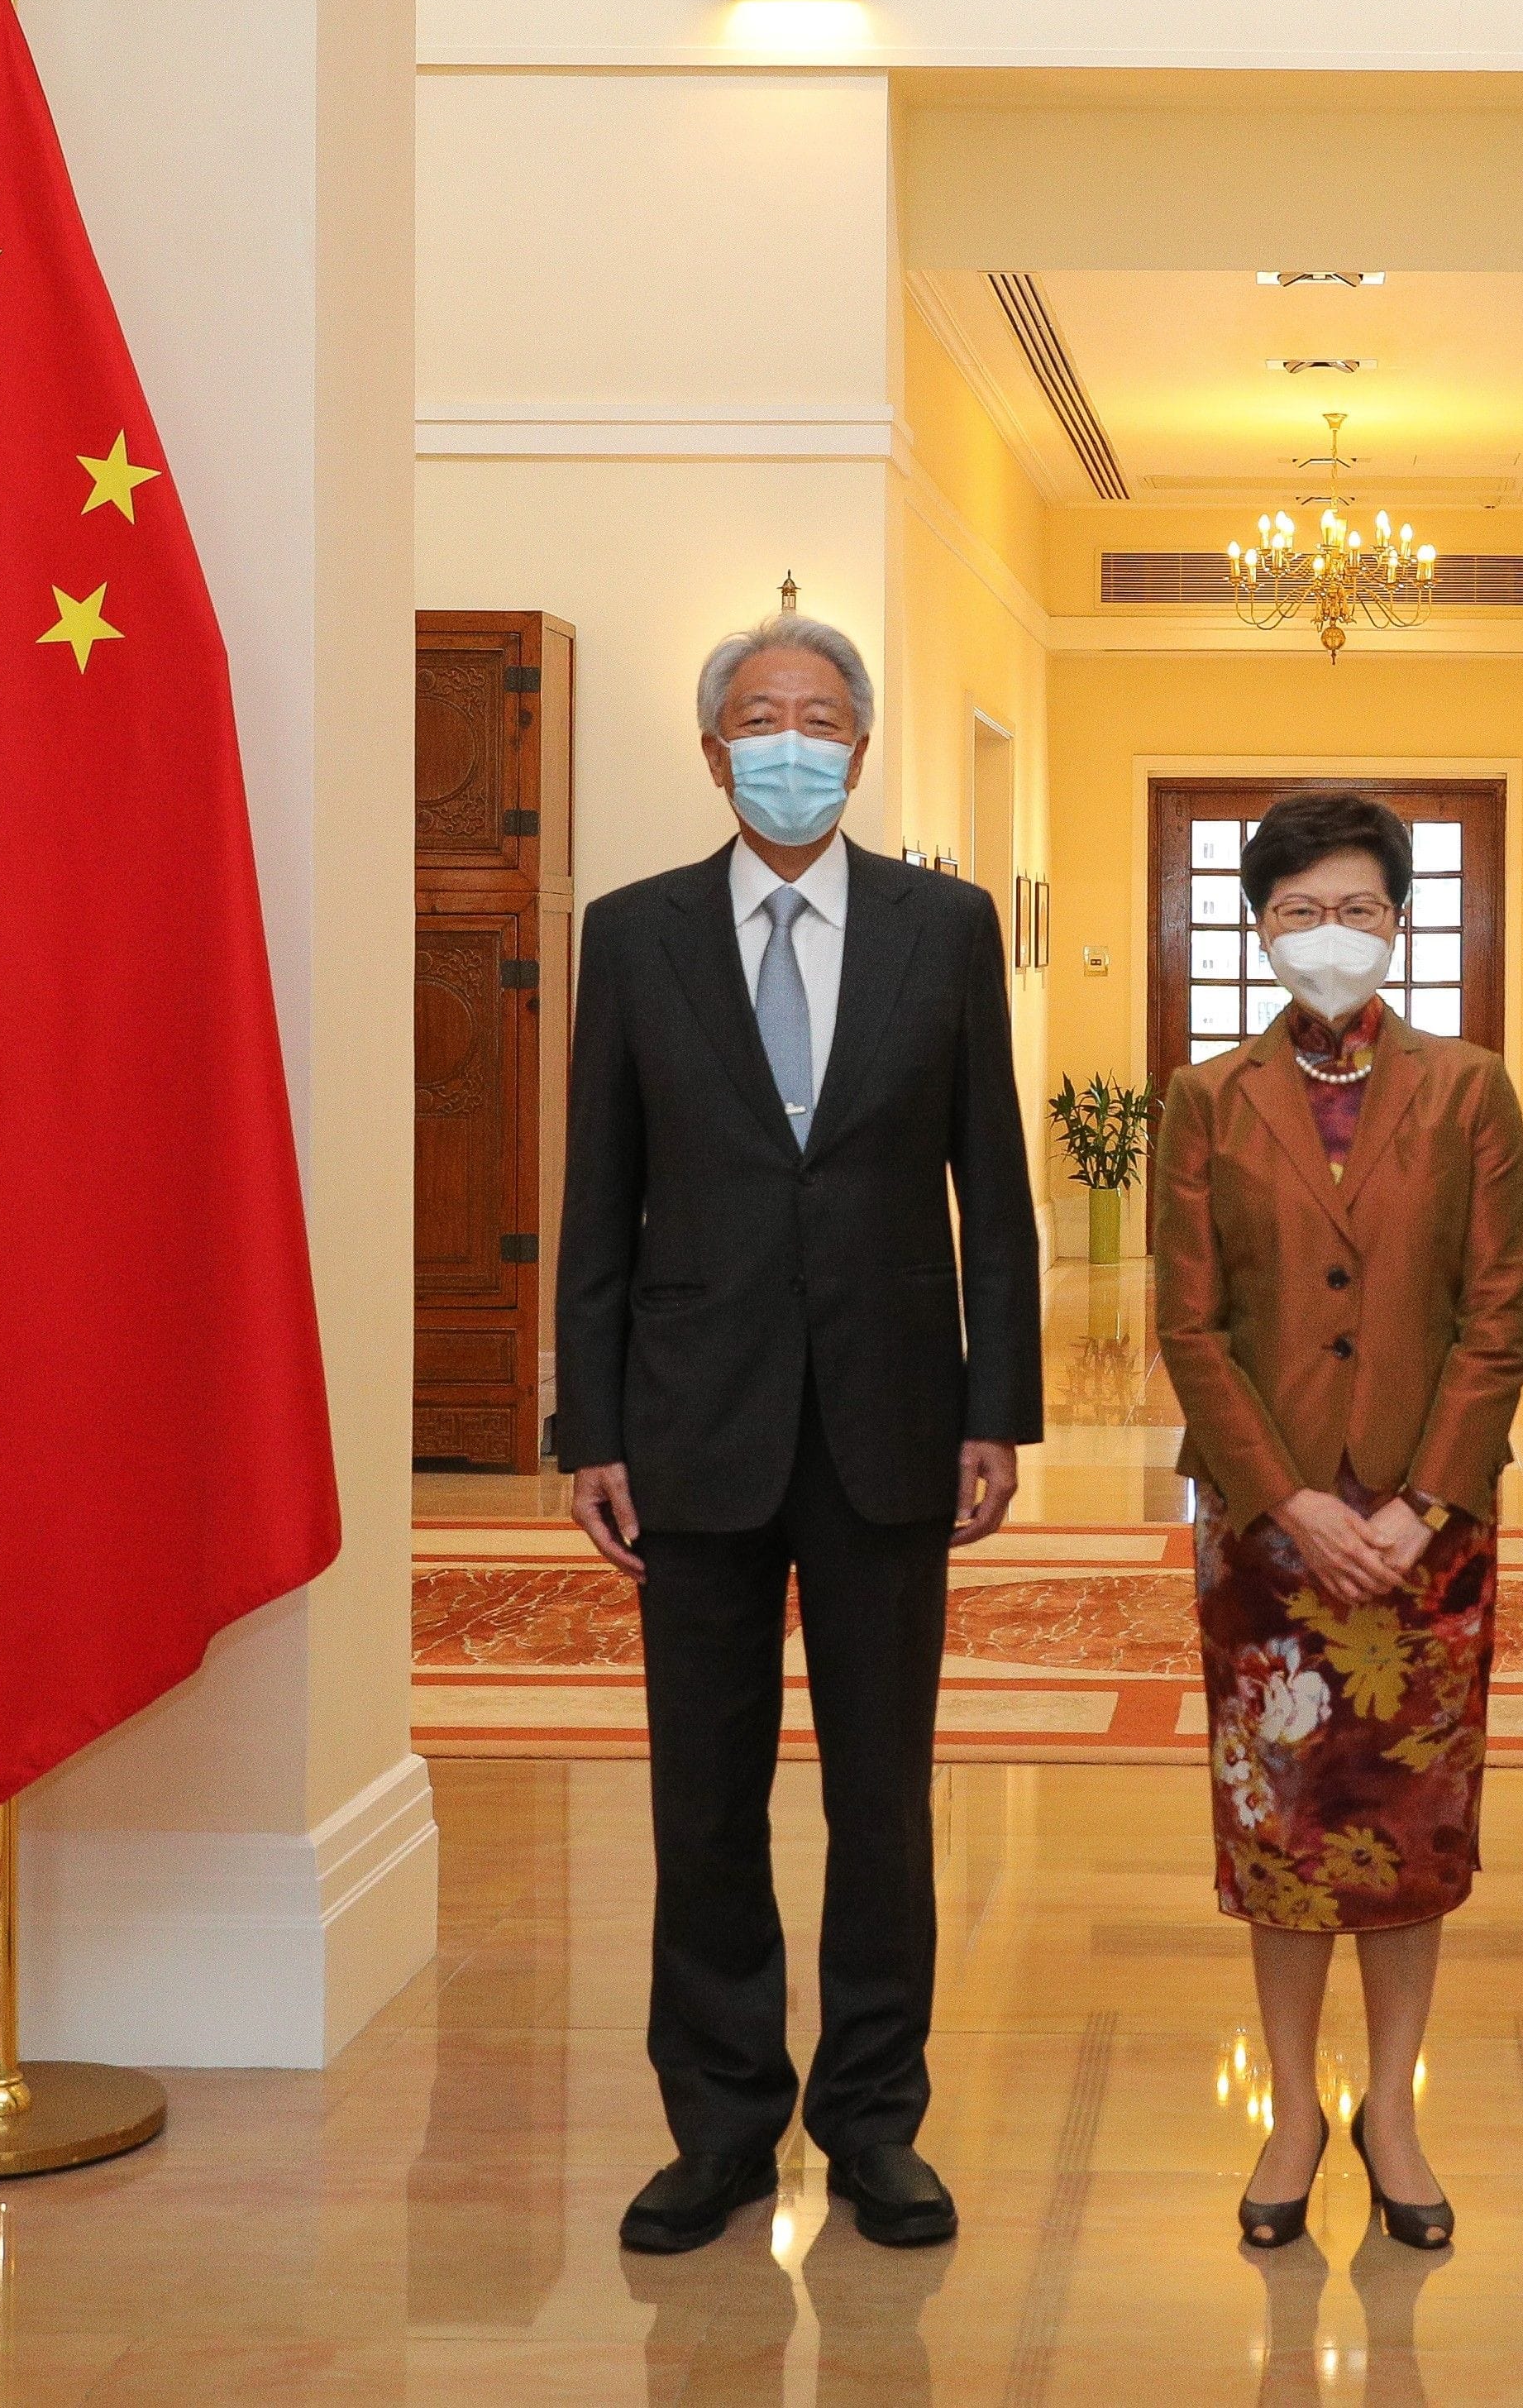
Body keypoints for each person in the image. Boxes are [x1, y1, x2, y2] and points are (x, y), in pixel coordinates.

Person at [553, 611, 1043, 2258]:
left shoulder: (945, 928)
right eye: (759, 714)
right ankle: (720, 2125)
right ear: (710, 752)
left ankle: (875, 2121)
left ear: (861, 744)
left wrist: (1001, 1407)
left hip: (894, 1424)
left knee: (882, 1793)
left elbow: (999, 1188)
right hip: (690, 1427)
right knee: (706, 1794)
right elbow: (595, 1204)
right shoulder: (630, 935)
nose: (789, 737)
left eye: (818, 714)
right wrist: (589, 1419)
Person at [1153, 791, 1523, 2255]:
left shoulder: (1471, 1089)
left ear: (1399, 924)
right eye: (1304, 911)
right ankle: (1292, 2111)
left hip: (1429, 1534)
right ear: (1262, 929)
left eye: (1360, 910)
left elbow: (1500, 1313)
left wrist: (1425, 1496)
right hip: (1268, 1534)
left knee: (1408, 1824)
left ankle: (1392, 2106)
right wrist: (1294, 1500)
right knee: (1281, 1828)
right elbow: (1189, 1326)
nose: (1333, 935)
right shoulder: (1203, 1101)